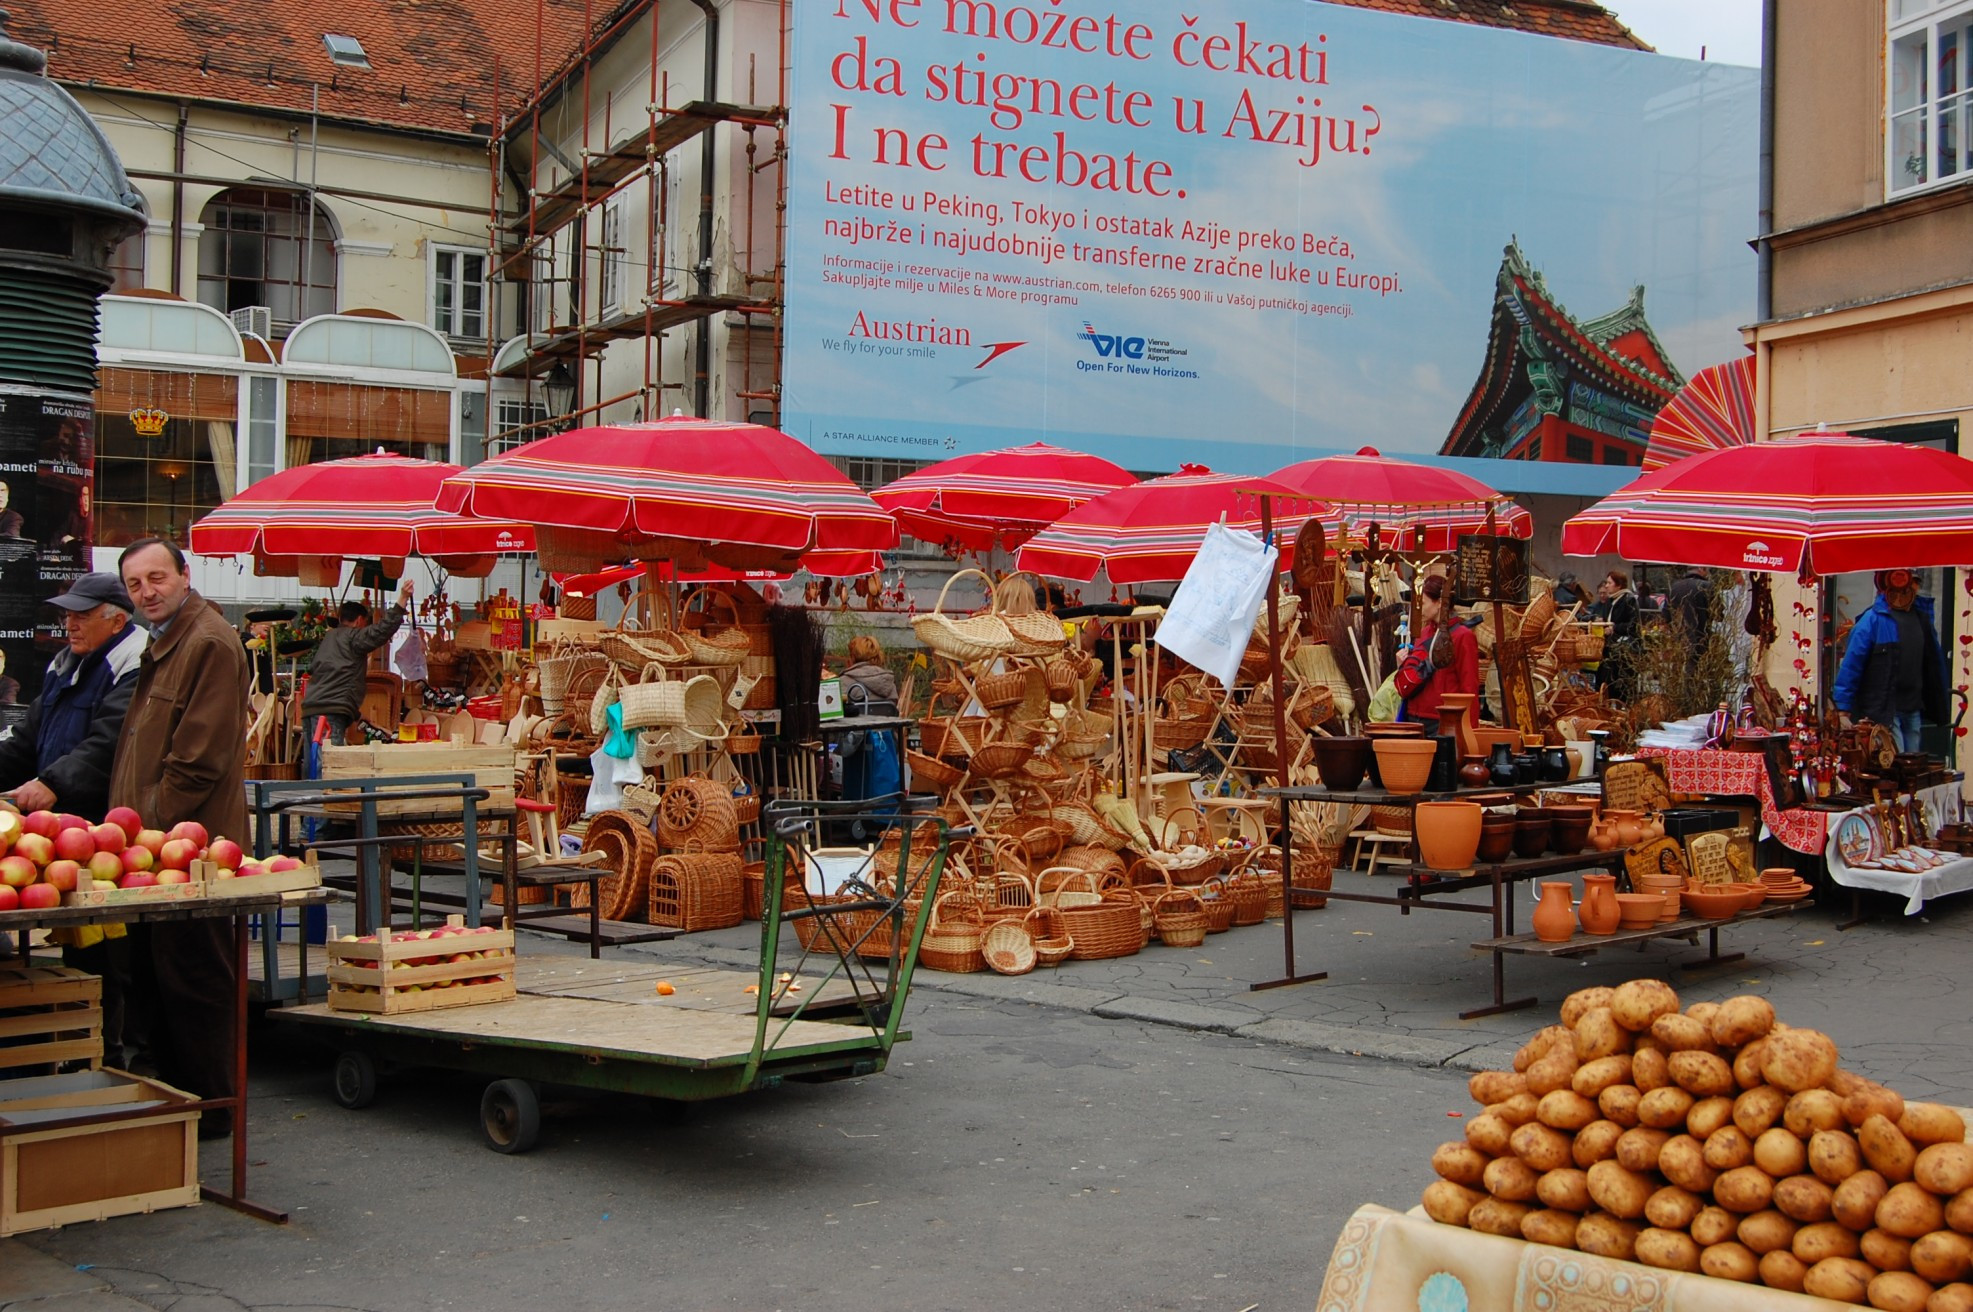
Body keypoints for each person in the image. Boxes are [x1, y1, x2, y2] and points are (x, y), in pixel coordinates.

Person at [108, 537, 251, 1136]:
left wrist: (147, 834)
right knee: (162, 982)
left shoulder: (209, 642)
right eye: (136, 584)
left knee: (195, 982)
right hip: (158, 852)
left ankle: (211, 1114)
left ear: (184, 575)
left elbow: (196, 760)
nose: (148, 591)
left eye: (157, 577)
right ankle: (182, 1108)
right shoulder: (168, 643)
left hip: (189, 853)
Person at [0, 573, 148, 1066]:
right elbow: (27, 737)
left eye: (81, 615)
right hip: (57, 835)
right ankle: (69, 1049)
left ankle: (106, 1058)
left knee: (104, 954)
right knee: (76, 952)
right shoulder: (67, 666)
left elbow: (109, 741)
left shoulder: (133, 664)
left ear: (117, 619)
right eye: (67, 614)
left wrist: (53, 783)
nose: (69, 623)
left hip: (103, 836)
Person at [1833, 568, 1946, 753]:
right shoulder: (1872, 621)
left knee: (1912, 764)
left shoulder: (1922, 619)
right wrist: (1842, 709)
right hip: (1884, 710)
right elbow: (1851, 665)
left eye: (1914, 583)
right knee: (1896, 761)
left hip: (1913, 707)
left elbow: (1933, 665)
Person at [299, 579, 412, 749]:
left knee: (312, 767)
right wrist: (402, 599)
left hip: (312, 707)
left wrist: (356, 714)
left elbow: (335, 677)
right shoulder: (352, 637)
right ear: (360, 621)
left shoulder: (330, 638)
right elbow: (380, 631)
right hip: (330, 712)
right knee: (327, 766)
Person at [1393, 574, 1479, 725]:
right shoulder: (1423, 633)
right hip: (1413, 715)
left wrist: (1470, 730)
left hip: (1442, 719)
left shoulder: (1463, 636)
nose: (1419, 607)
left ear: (1439, 603)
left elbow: (1469, 687)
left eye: (1423, 602)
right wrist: (1401, 665)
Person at [1595, 569, 1641, 700]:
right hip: (1610, 648)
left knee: (1621, 683)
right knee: (1605, 679)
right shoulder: (1610, 601)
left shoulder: (1629, 600)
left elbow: (1634, 625)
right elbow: (1608, 619)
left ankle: (1622, 708)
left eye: (1610, 583)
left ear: (1618, 585)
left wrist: (1614, 627)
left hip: (1624, 650)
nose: (1607, 585)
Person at [1665, 567, 1712, 655]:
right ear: (1701, 569)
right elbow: (1718, 613)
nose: (1708, 574)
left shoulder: (1673, 587)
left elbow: (1666, 615)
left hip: (1679, 640)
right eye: (1707, 571)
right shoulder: (1707, 586)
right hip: (1702, 639)